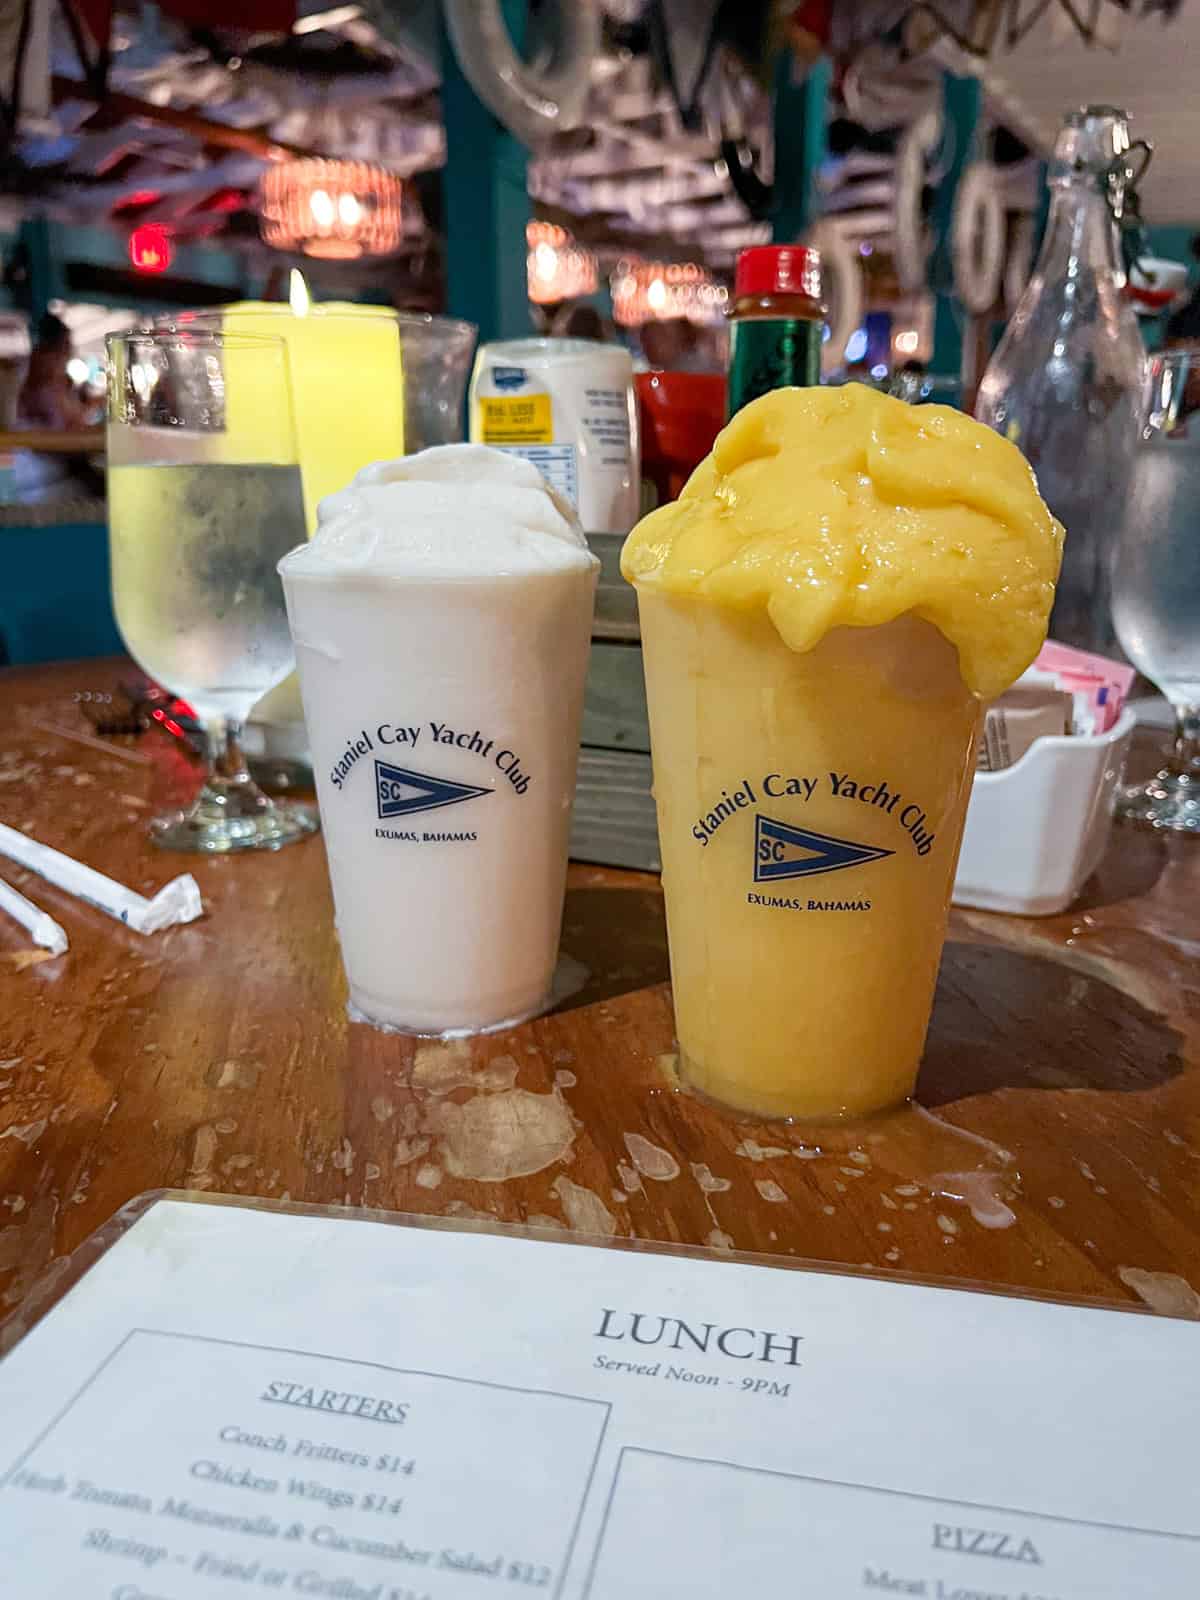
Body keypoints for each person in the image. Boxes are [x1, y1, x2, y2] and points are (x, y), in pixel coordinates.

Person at [18, 313, 91, 430]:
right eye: (66, 347)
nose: (68, 354)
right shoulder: (46, 383)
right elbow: (69, 424)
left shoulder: (29, 373)